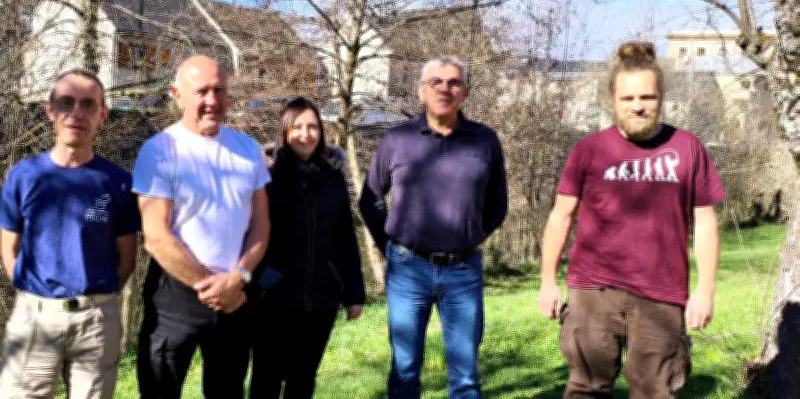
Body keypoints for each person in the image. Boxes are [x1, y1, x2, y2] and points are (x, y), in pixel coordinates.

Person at [537, 41, 727, 398]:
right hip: (593, 291)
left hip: (661, 294)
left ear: (661, 97)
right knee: (585, 389)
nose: (638, 107)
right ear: (612, 99)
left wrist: (705, 291)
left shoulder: (687, 148)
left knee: (655, 391)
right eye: (628, 99)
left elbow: (705, 222)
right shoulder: (588, 151)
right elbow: (560, 217)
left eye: (647, 97)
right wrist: (548, 281)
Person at [359, 56, 508, 398]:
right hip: (408, 270)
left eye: (454, 83)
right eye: (435, 82)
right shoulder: (397, 139)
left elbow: (498, 205)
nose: (445, 88)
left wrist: (468, 236)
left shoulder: (484, 140)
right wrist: (393, 248)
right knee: (405, 369)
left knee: (466, 374)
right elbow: (370, 199)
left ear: (465, 93)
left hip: (463, 272)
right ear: (421, 92)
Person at [133, 55, 271, 399]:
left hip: (236, 294)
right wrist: (211, 288)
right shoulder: (160, 151)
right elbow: (155, 236)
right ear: (176, 94)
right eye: (202, 91)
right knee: (160, 391)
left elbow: (261, 222)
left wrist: (239, 277)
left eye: (219, 90)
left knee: (227, 391)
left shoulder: (248, 149)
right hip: (176, 296)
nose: (212, 101)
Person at [0, 69, 140, 399]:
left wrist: (98, 301)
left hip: (96, 321)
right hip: (34, 317)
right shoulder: (24, 175)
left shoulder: (118, 182)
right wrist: (33, 294)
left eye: (88, 105)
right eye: (66, 103)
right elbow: (9, 247)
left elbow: (127, 257)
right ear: (50, 110)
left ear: (102, 115)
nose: (76, 113)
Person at [249, 97, 366, 398]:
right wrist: (256, 283)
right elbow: (250, 232)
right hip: (273, 294)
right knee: (267, 376)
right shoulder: (266, 176)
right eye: (297, 126)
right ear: (284, 132)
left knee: (303, 378)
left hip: (322, 296)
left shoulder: (333, 177)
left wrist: (354, 293)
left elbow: (346, 237)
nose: (306, 134)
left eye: (313, 126)